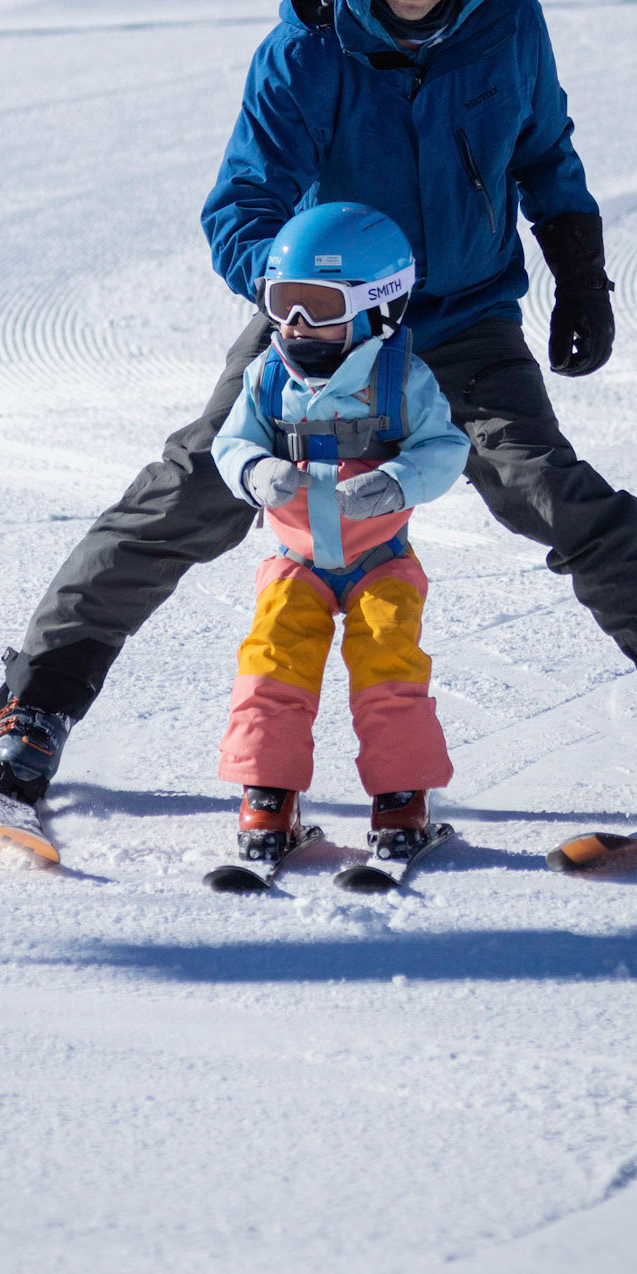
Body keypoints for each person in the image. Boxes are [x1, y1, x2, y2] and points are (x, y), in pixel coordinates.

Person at [0, 0, 637, 813]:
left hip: (466, 320)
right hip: (326, 325)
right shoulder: (306, 48)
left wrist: (581, 270)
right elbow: (241, 205)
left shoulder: (511, 20)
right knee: (193, 487)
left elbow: (546, 152)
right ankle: (33, 700)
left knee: (552, 491)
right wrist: (295, 303)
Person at [212, 200, 470, 862]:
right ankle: (266, 794)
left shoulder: (399, 379)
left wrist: (398, 480)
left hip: (379, 560)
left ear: (376, 305)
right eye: (282, 301)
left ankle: (400, 796)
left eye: (318, 306)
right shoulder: (268, 377)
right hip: (294, 561)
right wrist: (254, 470)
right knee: (272, 665)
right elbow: (229, 443)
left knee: (388, 662)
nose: (295, 323)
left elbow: (444, 448)